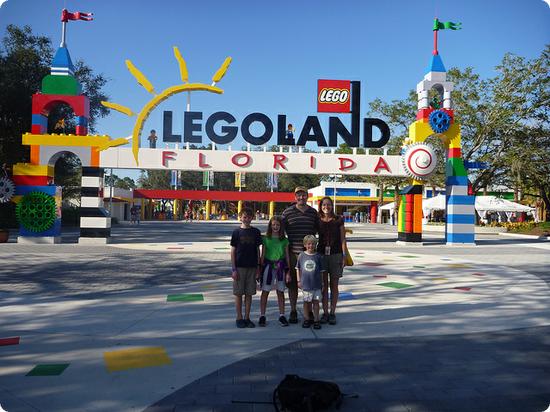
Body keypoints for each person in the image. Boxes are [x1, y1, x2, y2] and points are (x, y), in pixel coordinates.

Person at [282, 187, 320, 324]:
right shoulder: (287, 212)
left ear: (307, 196)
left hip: (309, 254)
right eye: (299, 195)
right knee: (292, 284)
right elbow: (280, 231)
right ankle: (293, 310)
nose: (301, 198)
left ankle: (309, 311)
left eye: (303, 195)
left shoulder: (313, 213)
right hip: (293, 253)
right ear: (295, 197)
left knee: (310, 284)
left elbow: (318, 230)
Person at [317, 196, 348, 325]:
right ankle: (324, 312)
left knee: (334, 285)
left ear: (332, 206)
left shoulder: (338, 220)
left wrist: (344, 255)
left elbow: (343, 239)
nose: (326, 207)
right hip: (322, 255)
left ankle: (332, 312)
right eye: (324, 204)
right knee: (323, 286)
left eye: (328, 204)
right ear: (321, 206)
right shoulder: (317, 220)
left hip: (336, 255)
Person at [230, 207, 262, 328]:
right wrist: (233, 269)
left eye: (249, 217)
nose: (246, 219)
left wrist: (259, 267)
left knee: (249, 293)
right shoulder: (236, 232)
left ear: (252, 218)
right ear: (240, 218)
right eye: (244, 217)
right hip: (239, 267)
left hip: (252, 267)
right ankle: (239, 317)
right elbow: (233, 251)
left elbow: (258, 250)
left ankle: (247, 317)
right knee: (238, 293)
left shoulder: (256, 232)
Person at [257, 216, 291, 327]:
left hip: (281, 267)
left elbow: (287, 256)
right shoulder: (266, 239)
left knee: (280, 291)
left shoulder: (284, 240)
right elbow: (262, 255)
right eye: (273, 225)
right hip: (268, 266)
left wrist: (289, 271)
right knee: (265, 291)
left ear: (281, 227)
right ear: (270, 226)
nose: (275, 227)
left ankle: (282, 315)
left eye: (277, 225)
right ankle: (262, 315)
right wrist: (259, 269)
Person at [296, 235, 324, 329]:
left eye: (312, 244)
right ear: (305, 245)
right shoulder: (301, 255)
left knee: (316, 302)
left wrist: (323, 283)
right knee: (306, 302)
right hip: (306, 284)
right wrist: (298, 280)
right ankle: (306, 319)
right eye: (308, 244)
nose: (310, 246)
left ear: (315, 245)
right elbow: (298, 269)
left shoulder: (318, 256)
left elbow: (321, 272)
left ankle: (316, 319)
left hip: (316, 284)